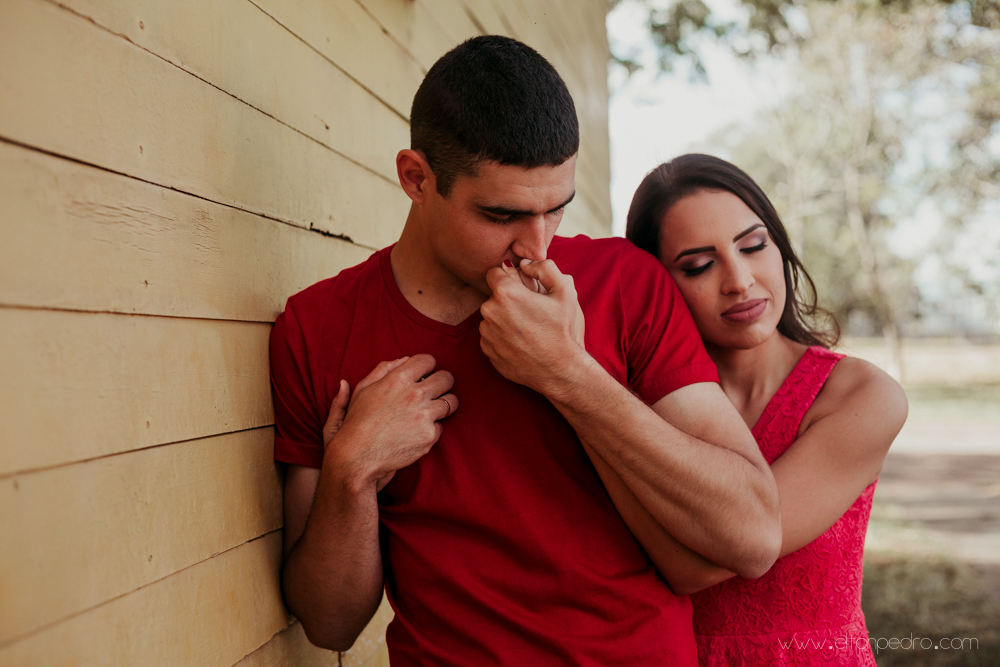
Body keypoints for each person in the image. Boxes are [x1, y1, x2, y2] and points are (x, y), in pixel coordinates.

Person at [270, 38, 782, 665]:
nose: (537, 246)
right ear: (416, 178)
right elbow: (330, 625)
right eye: (501, 215)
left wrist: (569, 373)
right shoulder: (316, 327)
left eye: (556, 209)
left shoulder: (625, 282)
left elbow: (752, 537)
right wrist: (351, 472)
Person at [624, 154, 908, 666]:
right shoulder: (642, 405)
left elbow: (695, 568)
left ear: (779, 245)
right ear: (657, 284)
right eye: (699, 266)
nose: (739, 280)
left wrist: (589, 403)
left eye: (753, 245)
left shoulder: (861, 395)